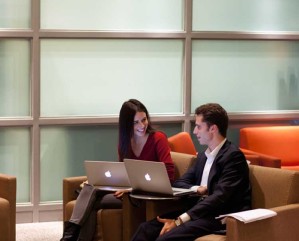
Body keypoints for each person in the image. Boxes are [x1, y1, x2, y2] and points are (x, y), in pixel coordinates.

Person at [131, 103, 252, 241]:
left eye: (199, 126)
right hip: (198, 211)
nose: (195, 131)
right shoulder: (202, 157)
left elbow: (219, 197)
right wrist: (197, 189)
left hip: (220, 216)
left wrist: (180, 220)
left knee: (166, 238)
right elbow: (180, 182)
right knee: (145, 229)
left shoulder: (233, 157)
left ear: (213, 129)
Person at [60, 99, 174, 241]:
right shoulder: (125, 141)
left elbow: (169, 175)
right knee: (91, 186)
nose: (142, 125)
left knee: (89, 201)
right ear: (127, 124)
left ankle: (69, 236)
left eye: (144, 120)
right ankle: (71, 236)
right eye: (135, 122)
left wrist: (132, 188)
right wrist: (113, 182)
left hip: (143, 196)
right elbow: (124, 171)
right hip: (126, 192)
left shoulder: (158, 138)